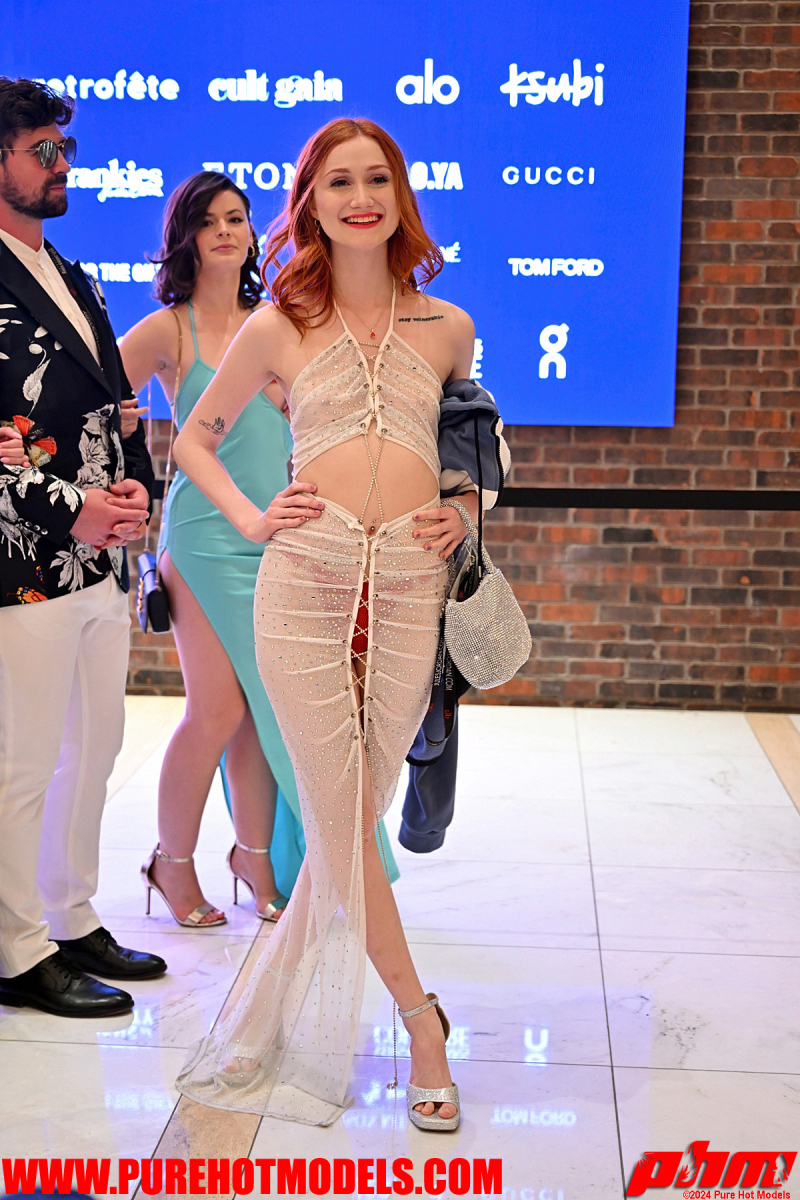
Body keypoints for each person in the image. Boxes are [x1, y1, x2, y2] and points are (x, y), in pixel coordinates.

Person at [174, 117, 495, 1131]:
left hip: (407, 585)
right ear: (310, 201)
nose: (361, 199)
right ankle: (421, 1023)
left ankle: (274, 1010)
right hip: (303, 584)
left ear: (401, 197)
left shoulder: (447, 326)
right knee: (342, 813)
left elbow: (475, 455)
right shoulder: (278, 325)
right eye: (339, 182)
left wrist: (466, 509)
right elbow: (193, 440)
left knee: (345, 820)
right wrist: (250, 517)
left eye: (377, 180)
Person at [0, 77, 165, 1018]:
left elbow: (114, 408)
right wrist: (72, 511)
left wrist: (136, 484)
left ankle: (68, 914)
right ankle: (15, 948)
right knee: (22, 762)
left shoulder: (74, 273)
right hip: (21, 563)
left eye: (66, 148)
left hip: (100, 562)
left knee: (92, 747)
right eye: (44, 151)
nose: (64, 164)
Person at [119, 172, 316, 927]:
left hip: (277, 539)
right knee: (217, 709)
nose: (227, 231)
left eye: (237, 218)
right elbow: (89, 398)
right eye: (210, 221)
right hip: (203, 540)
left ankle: (254, 859)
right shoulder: (169, 330)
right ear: (188, 239)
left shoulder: (279, 324)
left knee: (261, 711)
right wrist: (119, 438)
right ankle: (171, 864)